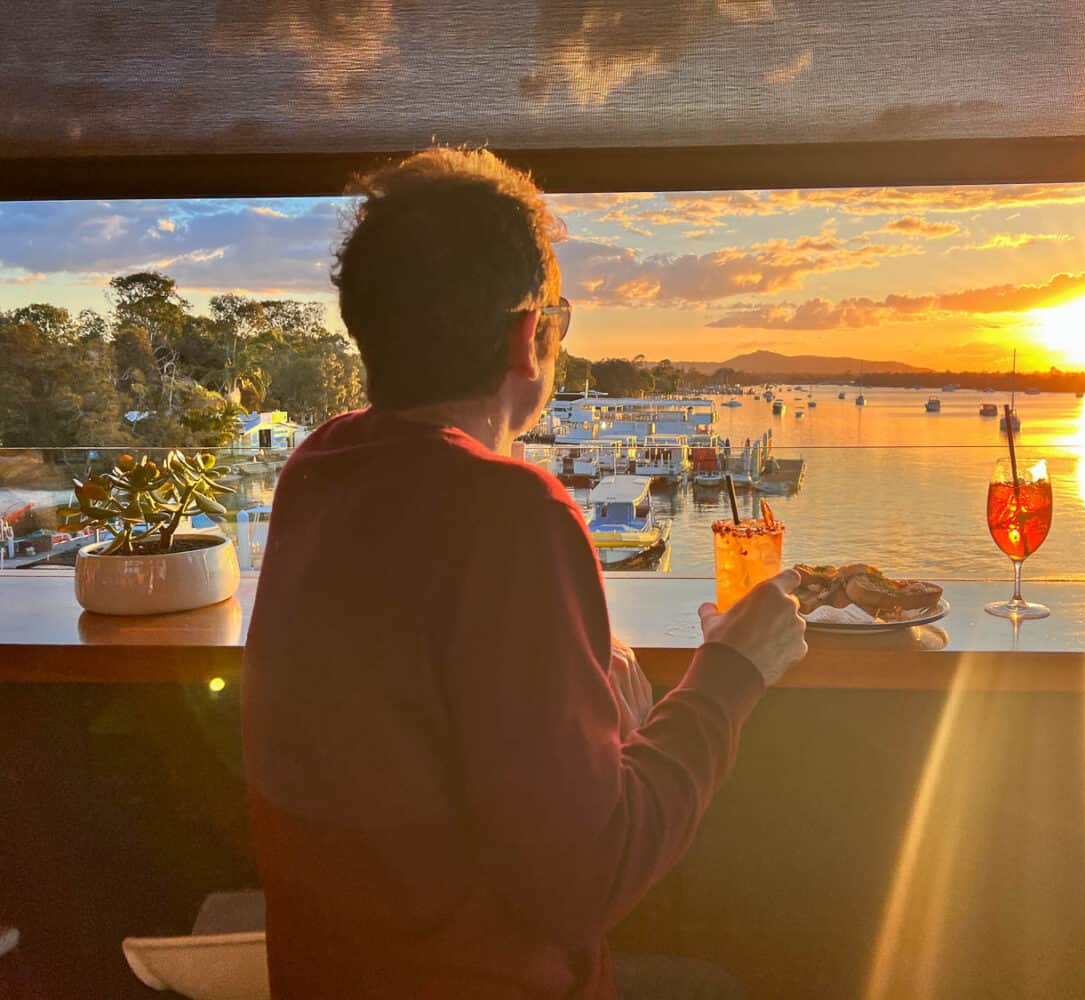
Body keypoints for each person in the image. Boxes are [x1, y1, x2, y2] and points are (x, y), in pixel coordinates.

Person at [242, 147, 808, 1000]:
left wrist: (585, 674)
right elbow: (585, 883)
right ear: (525, 337)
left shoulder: (318, 470)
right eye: (557, 320)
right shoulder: (508, 511)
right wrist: (734, 669)